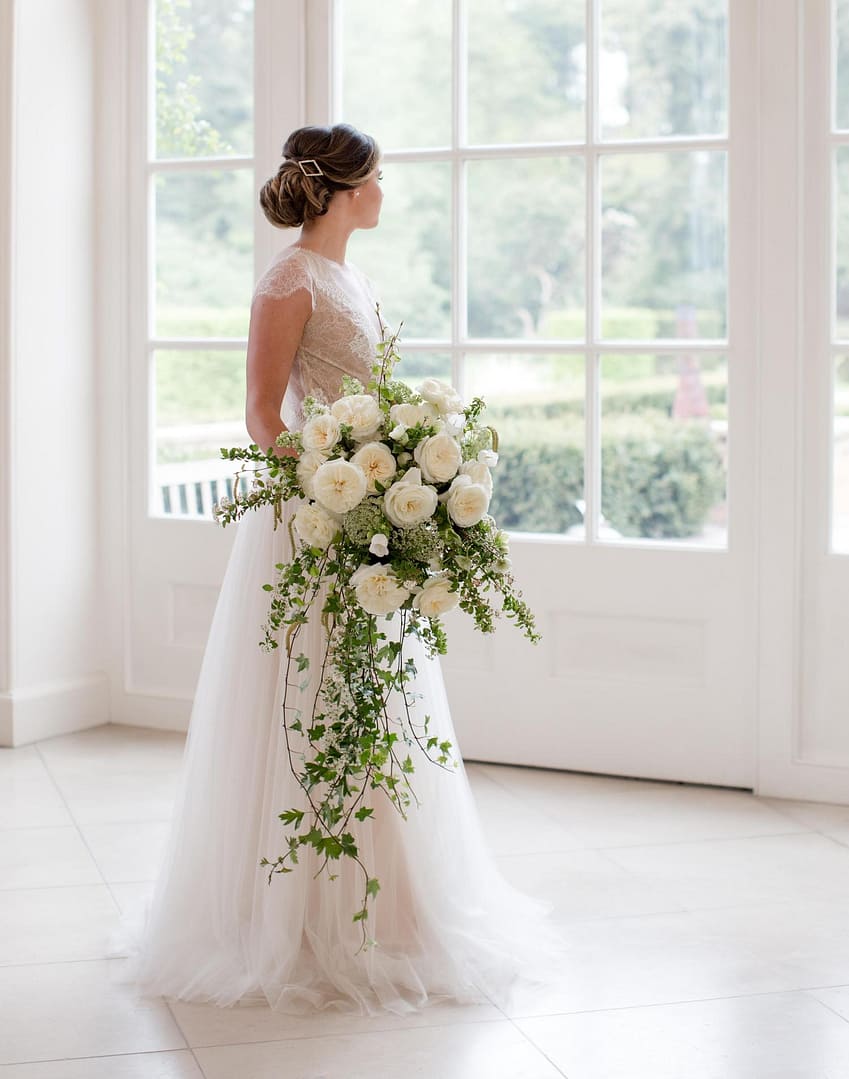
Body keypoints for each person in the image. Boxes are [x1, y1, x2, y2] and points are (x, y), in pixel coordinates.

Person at [110, 123, 567, 1016]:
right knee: (308, 689)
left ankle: (391, 907)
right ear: (347, 190)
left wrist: (399, 470)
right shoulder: (287, 280)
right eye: (380, 177)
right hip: (312, 522)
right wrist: (332, 496)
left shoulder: (349, 275)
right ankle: (291, 915)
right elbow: (260, 414)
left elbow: (369, 396)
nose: (387, 189)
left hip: (359, 513)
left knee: (379, 698)